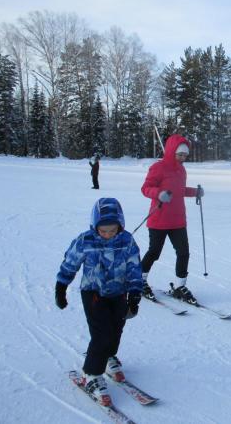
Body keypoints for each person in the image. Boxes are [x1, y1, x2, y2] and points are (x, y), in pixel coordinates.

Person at [55, 198, 142, 406]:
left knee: (116, 329)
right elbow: (70, 263)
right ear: (95, 226)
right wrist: (61, 287)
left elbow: (134, 268)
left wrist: (135, 293)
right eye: (103, 230)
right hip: (93, 293)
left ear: (120, 225)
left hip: (118, 293)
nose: (108, 234)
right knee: (102, 333)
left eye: (112, 230)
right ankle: (91, 374)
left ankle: (108, 357)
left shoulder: (127, 241)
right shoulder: (85, 240)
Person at [139, 134, 203, 304]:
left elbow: (179, 190)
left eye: (185, 155)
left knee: (184, 253)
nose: (183, 158)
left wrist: (195, 192)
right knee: (154, 252)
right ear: (171, 151)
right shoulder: (158, 168)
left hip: (177, 220)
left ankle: (180, 286)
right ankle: (140, 280)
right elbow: (145, 188)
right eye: (180, 154)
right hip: (158, 218)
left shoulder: (181, 170)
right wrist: (159, 194)